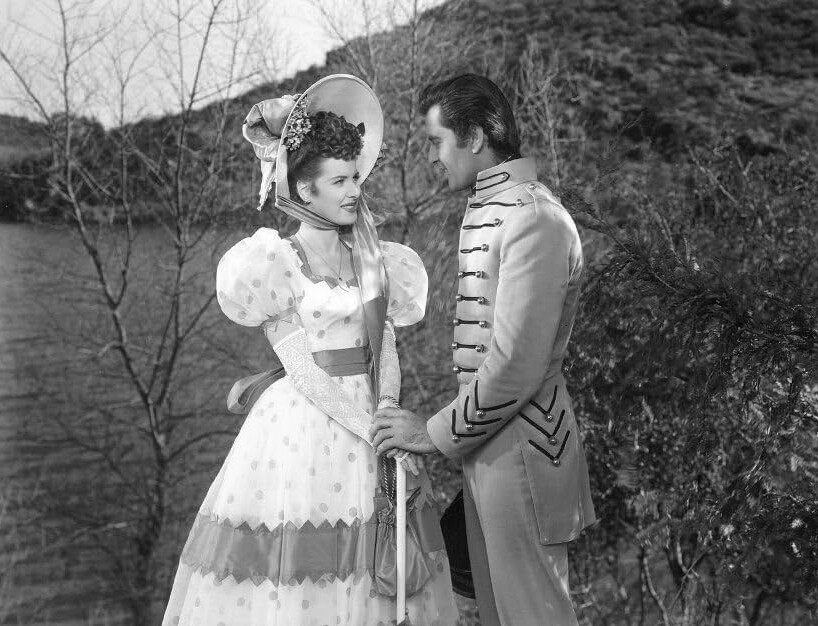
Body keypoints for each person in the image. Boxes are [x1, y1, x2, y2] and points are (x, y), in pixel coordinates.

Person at [162, 74, 459, 626]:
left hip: (372, 421)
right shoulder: (274, 263)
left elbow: (385, 347)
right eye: (339, 180)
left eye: (355, 177)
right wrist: (371, 428)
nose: (354, 190)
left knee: (379, 567)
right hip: (304, 431)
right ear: (303, 189)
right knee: (305, 572)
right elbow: (300, 365)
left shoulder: (378, 259)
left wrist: (389, 417)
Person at [370, 74, 597, 626]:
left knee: (536, 617)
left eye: (436, 141)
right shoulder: (496, 208)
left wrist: (430, 433)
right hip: (490, 448)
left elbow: (516, 368)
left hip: (524, 450)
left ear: (473, 137)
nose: (431, 157)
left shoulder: (535, 219)